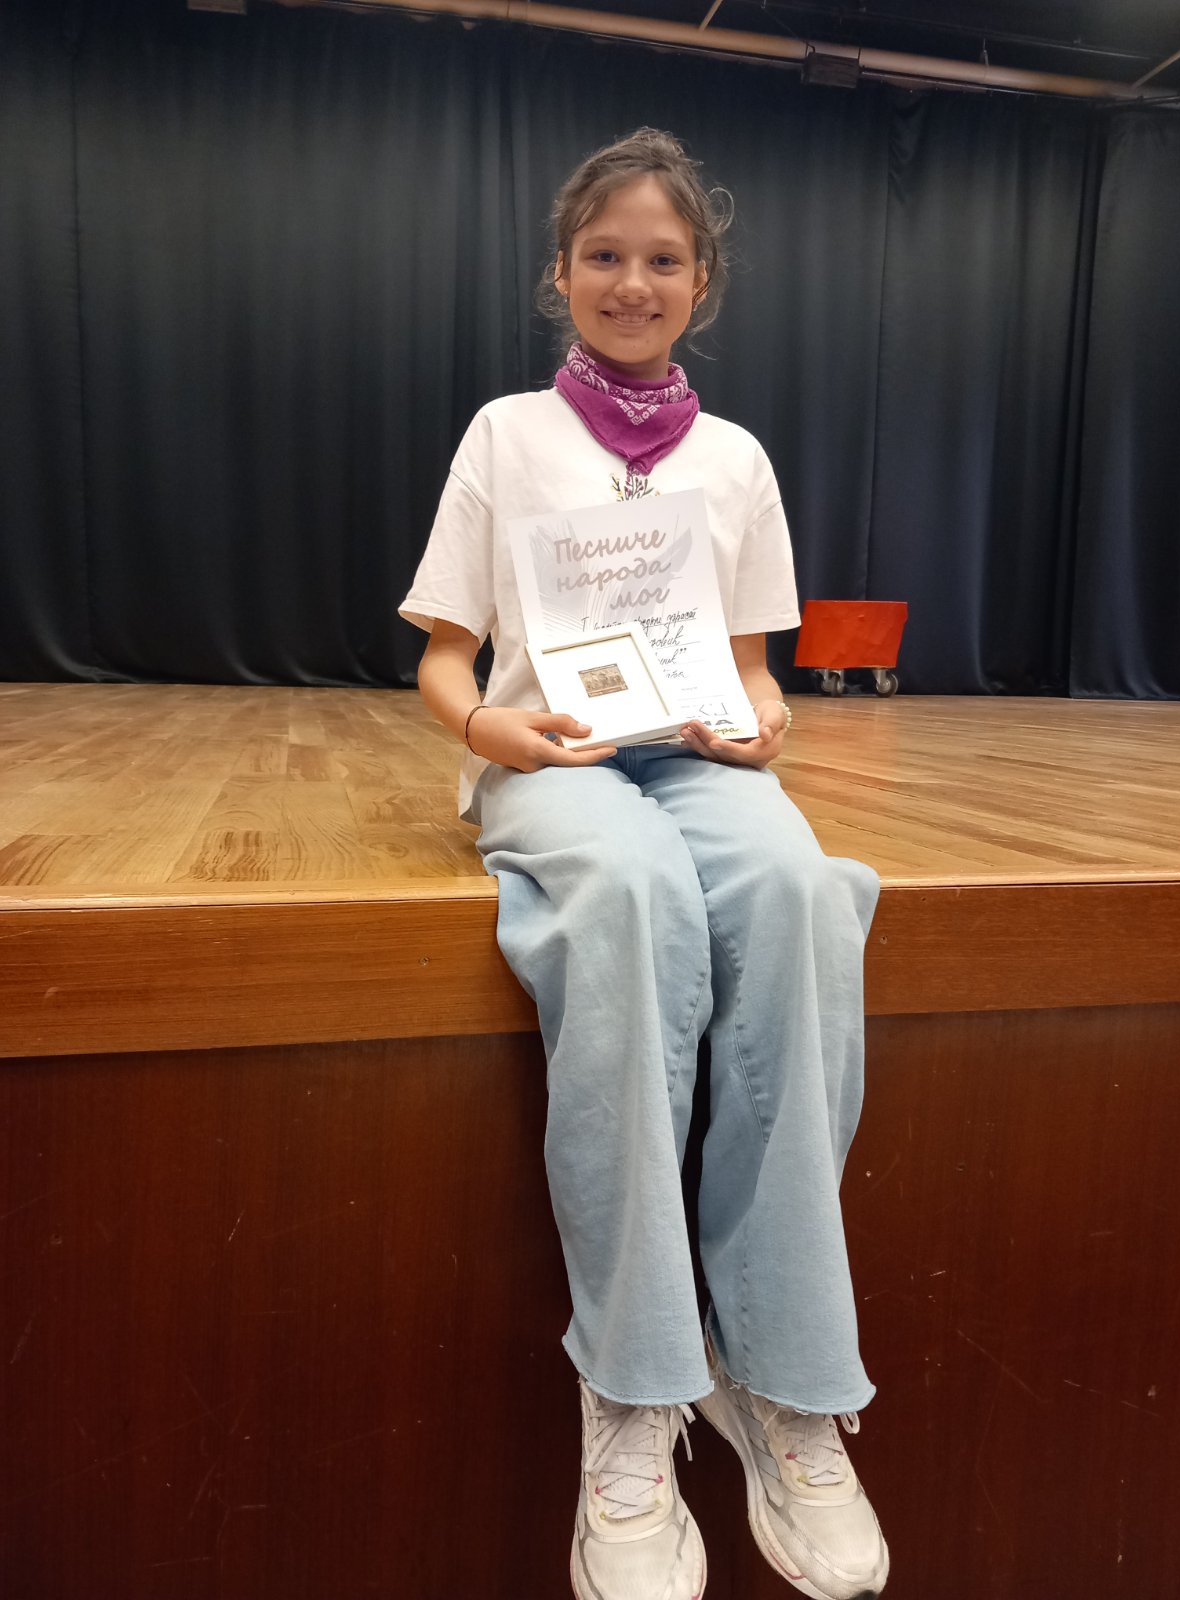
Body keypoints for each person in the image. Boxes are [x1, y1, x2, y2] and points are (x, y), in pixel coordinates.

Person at [400, 127, 888, 1600]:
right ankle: (632, 1385)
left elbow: (757, 670)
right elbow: (444, 657)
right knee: (629, 898)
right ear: (561, 273)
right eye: (603, 254)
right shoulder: (505, 434)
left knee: (799, 893)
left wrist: (766, 722)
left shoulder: (736, 461)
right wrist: (489, 727)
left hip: (694, 758)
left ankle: (785, 1378)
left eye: (662, 259)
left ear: (701, 283)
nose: (632, 280)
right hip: (551, 762)